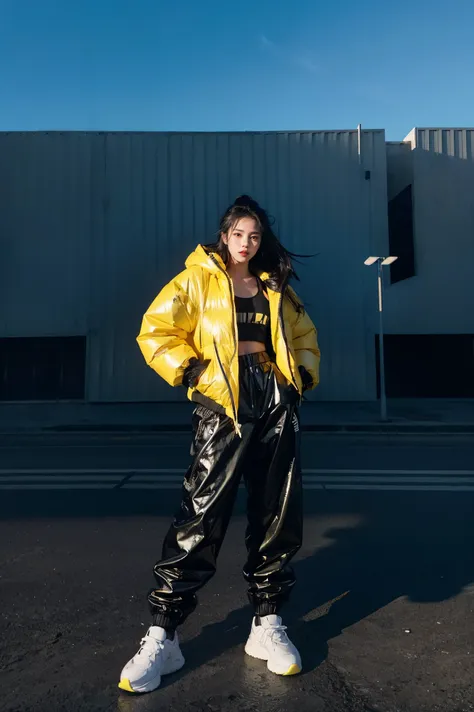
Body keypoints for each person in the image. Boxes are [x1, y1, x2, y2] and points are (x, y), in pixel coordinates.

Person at [118, 195, 321, 694]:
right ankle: (163, 636)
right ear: (224, 235)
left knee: (276, 512)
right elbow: (156, 330)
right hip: (220, 402)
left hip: (273, 396)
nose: (247, 244)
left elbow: (303, 335)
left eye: (255, 236)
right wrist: (194, 372)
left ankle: (267, 624)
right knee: (200, 514)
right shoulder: (197, 280)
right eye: (239, 235)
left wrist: (298, 380)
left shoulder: (274, 285)